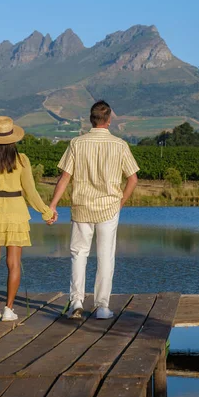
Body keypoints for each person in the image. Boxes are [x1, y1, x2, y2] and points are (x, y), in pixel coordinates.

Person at [49, 100, 139, 319]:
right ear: (108, 120)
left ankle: (76, 301)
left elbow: (64, 178)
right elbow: (133, 179)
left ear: (91, 119)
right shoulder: (119, 145)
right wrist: (121, 201)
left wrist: (52, 205)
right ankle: (101, 307)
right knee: (105, 257)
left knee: (78, 254)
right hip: (109, 208)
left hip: (81, 207)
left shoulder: (76, 143)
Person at [0, 115, 57, 322]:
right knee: (14, 263)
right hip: (16, 212)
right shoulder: (22, 160)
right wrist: (46, 212)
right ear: (12, 139)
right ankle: (9, 309)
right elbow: (31, 192)